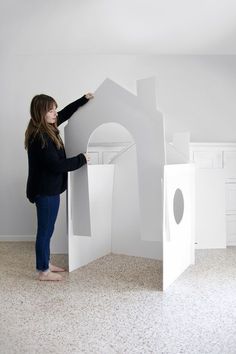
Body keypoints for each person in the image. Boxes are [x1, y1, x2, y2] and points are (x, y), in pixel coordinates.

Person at [25, 92, 94, 281]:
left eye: (55, 108)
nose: (55, 113)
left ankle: (46, 263)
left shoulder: (48, 126)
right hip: (45, 191)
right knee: (45, 231)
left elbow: (66, 112)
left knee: (48, 230)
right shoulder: (40, 137)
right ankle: (42, 271)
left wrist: (83, 99)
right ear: (40, 113)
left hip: (50, 189)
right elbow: (56, 165)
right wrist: (82, 159)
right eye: (50, 110)